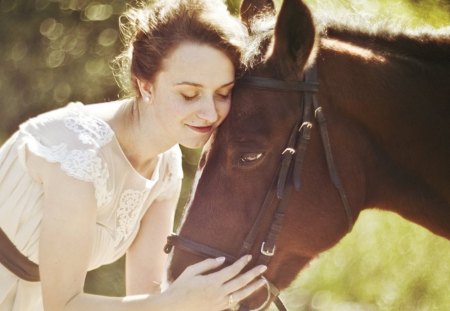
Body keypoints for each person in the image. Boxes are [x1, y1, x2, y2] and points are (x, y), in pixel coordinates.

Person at [0, 0, 268, 310]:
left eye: (223, 93)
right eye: (189, 94)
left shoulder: (166, 164)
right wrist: (176, 301)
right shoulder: (78, 152)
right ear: (145, 86)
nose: (210, 112)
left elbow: (149, 297)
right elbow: (63, 304)